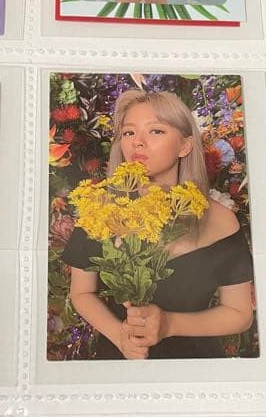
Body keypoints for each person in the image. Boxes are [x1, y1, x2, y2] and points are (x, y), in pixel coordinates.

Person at [62, 89, 254, 359]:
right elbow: (82, 293)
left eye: (156, 131)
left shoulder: (220, 220)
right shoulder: (100, 210)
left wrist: (170, 324)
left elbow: (240, 314)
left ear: (185, 146)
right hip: (118, 362)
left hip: (194, 367)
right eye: (129, 132)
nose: (137, 143)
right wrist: (121, 337)